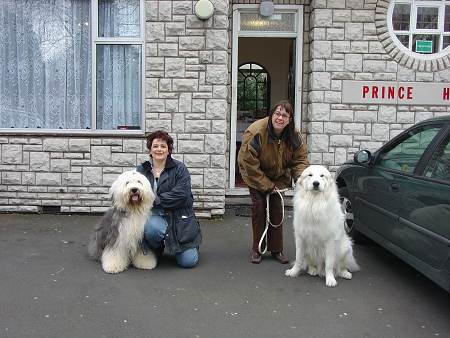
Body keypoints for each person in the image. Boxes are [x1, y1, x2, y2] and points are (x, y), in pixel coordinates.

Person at [237, 100, 309, 264]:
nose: (280, 118)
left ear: (289, 119)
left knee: (277, 208)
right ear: (271, 115)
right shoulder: (256, 132)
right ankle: (257, 248)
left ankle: (277, 249)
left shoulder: (294, 136)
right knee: (260, 208)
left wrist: (302, 178)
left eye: (284, 115)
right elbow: (249, 163)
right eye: (277, 114)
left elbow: (300, 160)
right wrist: (266, 186)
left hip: (279, 175)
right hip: (254, 173)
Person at [137, 130, 202, 268]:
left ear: (168, 150)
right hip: (154, 216)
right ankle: (157, 248)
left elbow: (181, 195)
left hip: (179, 218)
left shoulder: (180, 168)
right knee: (151, 227)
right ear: (150, 149)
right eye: (155, 146)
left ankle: (189, 246)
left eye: (163, 146)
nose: (159, 149)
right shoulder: (141, 170)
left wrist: (152, 199)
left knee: (188, 262)